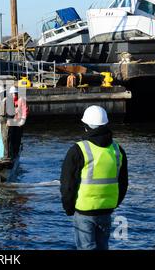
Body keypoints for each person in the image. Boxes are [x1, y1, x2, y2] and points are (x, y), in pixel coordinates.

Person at [60, 105, 128, 250]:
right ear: (105, 124)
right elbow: (123, 183)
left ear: (85, 126)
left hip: (84, 211)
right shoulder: (117, 150)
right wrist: (114, 203)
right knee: (103, 247)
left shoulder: (78, 150)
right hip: (107, 210)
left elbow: (67, 185)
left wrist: (69, 208)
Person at [7, 86, 29, 157]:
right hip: (12, 122)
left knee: (17, 137)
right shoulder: (9, 100)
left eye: (15, 93)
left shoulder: (22, 100)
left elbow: (25, 111)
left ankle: (15, 152)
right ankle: (11, 151)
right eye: (13, 94)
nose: (14, 95)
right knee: (11, 137)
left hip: (19, 122)